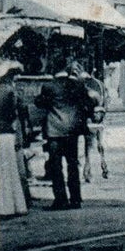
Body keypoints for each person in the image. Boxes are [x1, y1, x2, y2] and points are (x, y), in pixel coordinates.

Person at [35, 74, 94, 210]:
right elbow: (89, 103)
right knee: (72, 164)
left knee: (56, 165)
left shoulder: (49, 86)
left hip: (54, 130)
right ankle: (75, 199)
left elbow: (40, 103)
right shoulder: (78, 85)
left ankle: (61, 200)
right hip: (72, 130)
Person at [0, 64, 30, 217]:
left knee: (1, 170)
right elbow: (14, 113)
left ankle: (4, 207)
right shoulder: (10, 91)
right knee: (10, 170)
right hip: (7, 133)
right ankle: (15, 205)